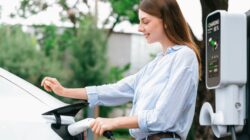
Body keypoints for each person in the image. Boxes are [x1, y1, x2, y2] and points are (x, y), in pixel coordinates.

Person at [41, 0, 201, 139]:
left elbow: (163, 117)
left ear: (166, 20)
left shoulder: (184, 57)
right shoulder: (155, 65)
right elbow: (116, 90)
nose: (139, 28)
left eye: (145, 22)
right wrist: (64, 91)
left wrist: (113, 122)